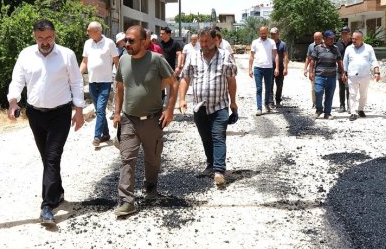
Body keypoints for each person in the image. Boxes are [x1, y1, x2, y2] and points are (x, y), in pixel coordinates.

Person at [7, 19, 85, 226]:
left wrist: (79, 111)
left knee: (52, 157)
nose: (45, 42)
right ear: (35, 37)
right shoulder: (26, 54)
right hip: (36, 114)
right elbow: (17, 80)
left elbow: (76, 82)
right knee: (47, 157)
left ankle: (47, 206)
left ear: (54, 36)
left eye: (48, 37)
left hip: (60, 114)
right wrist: (13, 102)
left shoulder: (67, 55)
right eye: (41, 38)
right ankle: (57, 192)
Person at [112, 25, 177, 216]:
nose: (127, 44)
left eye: (131, 41)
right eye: (125, 40)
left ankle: (151, 189)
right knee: (127, 160)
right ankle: (126, 201)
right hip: (129, 120)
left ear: (144, 42)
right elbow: (120, 87)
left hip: (153, 120)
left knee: (153, 159)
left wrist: (170, 110)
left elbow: (174, 83)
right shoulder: (123, 60)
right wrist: (117, 113)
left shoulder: (156, 60)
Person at [178, 27, 237, 186]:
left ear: (215, 40)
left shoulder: (225, 56)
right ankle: (210, 165)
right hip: (200, 107)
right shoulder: (193, 56)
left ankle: (219, 170)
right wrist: (182, 99)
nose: (203, 44)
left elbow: (231, 80)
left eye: (206, 41)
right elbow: (185, 78)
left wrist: (233, 102)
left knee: (218, 137)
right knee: (206, 138)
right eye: (201, 41)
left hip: (220, 106)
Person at [80, 22, 119, 147]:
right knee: (99, 110)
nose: (87, 32)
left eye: (89, 30)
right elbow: (84, 62)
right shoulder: (87, 43)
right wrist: (77, 75)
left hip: (105, 82)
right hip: (92, 82)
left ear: (97, 31)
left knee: (100, 110)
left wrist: (119, 78)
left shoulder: (109, 43)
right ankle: (106, 134)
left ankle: (97, 137)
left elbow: (116, 61)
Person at [342, 30, 380, 121]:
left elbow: (374, 61)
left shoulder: (369, 48)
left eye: (356, 39)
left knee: (363, 94)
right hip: (352, 76)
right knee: (352, 94)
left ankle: (360, 109)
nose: (353, 41)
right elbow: (345, 62)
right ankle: (353, 112)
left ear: (362, 39)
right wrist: (344, 73)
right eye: (353, 39)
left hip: (365, 75)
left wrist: (377, 72)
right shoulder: (349, 48)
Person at [309, 30, 344, 119]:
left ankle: (327, 113)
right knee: (318, 92)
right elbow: (312, 60)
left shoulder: (335, 49)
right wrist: (310, 72)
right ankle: (319, 109)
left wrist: (343, 73)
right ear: (324, 39)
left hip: (332, 76)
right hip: (319, 75)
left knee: (329, 95)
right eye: (330, 39)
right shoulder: (317, 48)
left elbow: (340, 62)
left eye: (333, 39)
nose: (332, 40)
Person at [249, 26, 279, 116]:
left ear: (267, 33)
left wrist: (277, 67)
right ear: (259, 33)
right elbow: (251, 56)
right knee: (259, 89)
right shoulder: (255, 42)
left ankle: (266, 103)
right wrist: (250, 69)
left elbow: (276, 55)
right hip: (258, 68)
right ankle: (259, 108)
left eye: (265, 33)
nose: (263, 35)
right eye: (262, 33)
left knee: (268, 88)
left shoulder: (271, 42)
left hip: (269, 68)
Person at [269, 27, 289, 107]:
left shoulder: (283, 44)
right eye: (271, 34)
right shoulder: (268, 43)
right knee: (270, 85)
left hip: (280, 67)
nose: (273, 35)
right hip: (269, 67)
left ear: (278, 34)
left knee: (279, 85)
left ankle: (278, 100)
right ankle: (270, 101)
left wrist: (286, 68)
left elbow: (286, 56)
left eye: (274, 34)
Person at [335, 26, 352, 113]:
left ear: (349, 34)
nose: (344, 35)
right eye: (343, 33)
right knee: (341, 88)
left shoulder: (353, 43)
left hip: (351, 69)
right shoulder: (337, 44)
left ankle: (350, 106)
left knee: (349, 88)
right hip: (340, 69)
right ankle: (342, 106)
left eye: (346, 33)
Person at [305, 32, 323, 108]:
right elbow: (308, 58)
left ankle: (321, 102)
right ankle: (314, 102)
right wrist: (305, 68)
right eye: (315, 39)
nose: (317, 40)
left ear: (322, 38)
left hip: (323, 70)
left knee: (322, 88)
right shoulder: (311, 46)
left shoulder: (326, 46)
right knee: (314, 87)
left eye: (319, 39)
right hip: (314, 70)